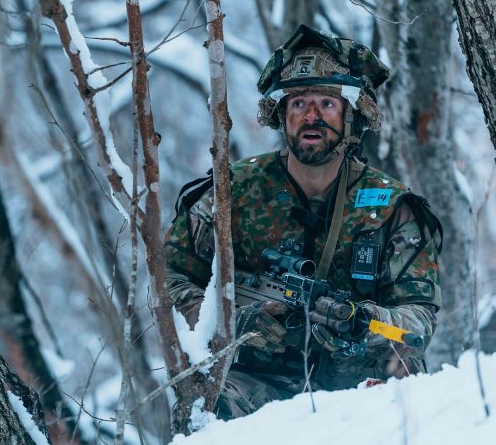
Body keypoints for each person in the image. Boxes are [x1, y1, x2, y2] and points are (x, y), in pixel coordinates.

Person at [164, 25, 443, 419]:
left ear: (352, 115)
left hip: (360, 386)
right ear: (282, 115)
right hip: (255, 383)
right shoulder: (232, 192)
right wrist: (232, 324)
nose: (311, 116)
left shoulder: (392, 207)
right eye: (298, 104)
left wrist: (367, 324)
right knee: (200, 404)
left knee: (408, 390)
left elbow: (417, 324)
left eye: (326, 104)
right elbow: (170, 282)